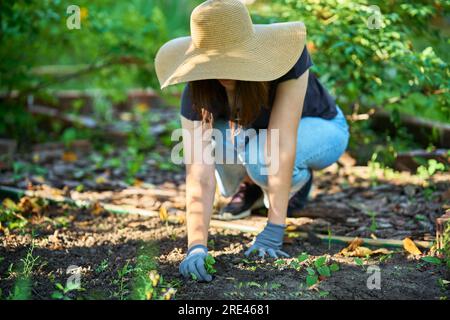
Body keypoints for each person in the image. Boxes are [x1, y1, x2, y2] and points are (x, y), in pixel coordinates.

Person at [154, 0, 349, 282]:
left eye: (229, 59)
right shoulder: (197, 91)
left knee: (262, 160)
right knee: (222, 152)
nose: (222, 71)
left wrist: (274, 231)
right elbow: (198, 172)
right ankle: (256, 187)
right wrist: (196, 247)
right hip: (257, 137)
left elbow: (281, 143)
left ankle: (294, 185)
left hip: (323, 128)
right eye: (213, 61)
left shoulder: (287, 60)